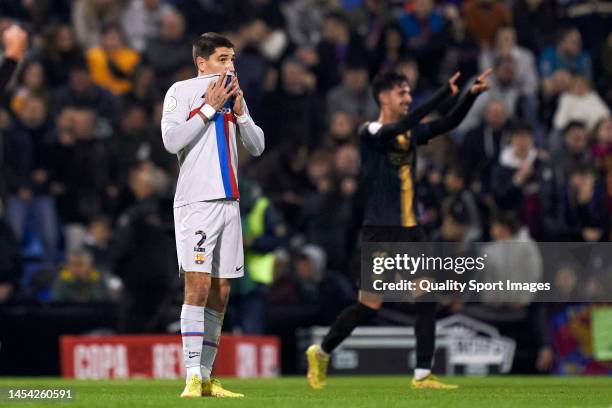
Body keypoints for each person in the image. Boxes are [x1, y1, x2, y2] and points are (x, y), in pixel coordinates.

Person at [306, 68, 491, 390]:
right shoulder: (370, 131)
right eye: (402, 93)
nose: (407, 98)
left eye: (409, 93)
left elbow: (447, 124)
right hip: (381, 230)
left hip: (411, 230)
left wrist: (469, 96)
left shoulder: (407, 134)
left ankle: (422, 374)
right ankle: (321, 351)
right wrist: (443, 93)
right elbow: (404, 125)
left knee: (426, 297)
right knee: (368, 306)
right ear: (383, 97)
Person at [160, 32, 264, 398]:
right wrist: (207, 107)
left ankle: (205, 376)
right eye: (223, 58)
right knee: (199, 284)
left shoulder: (235, 93)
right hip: (197, 203)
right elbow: (172, 141)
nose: (231, 65)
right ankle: (190, 374)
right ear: (201, 62)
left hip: (230, 203)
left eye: (232, 58)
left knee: (221, 290)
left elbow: (257, 146)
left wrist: (241, 115)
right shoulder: (181, 91)